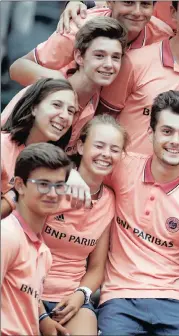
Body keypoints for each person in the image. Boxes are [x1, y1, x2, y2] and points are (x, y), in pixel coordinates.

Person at [64, 90, 179, 335]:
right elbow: (85, 161)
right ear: (151, 133)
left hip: (176, 301)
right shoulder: (122, 167)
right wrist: (70, 173)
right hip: (119, 298)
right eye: (167, 131)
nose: (175, 141)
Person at [38, 115, 128, 335]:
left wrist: (81, 295)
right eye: (99, 145)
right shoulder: (53, 188)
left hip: (70, 296)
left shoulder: (109, 200)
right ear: (80, 146)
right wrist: (40, 315)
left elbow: (97, 267)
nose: (106, 154)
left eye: (114, 149)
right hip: (27, 290)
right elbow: (21, 253)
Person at [96, 1, 179, 154]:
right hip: (120, 174)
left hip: (175, 176)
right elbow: (102, 119)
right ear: (173, 13)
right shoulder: (134, 61)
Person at [3, 16, 128, 155]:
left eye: (116, 57)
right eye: (99, 55)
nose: (109, 65)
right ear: (79, 57)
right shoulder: (49, 88)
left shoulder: (92, 103)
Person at [9, 0, 171, 86]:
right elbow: (18, 68)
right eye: (128, 2)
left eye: (145, 4)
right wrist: (64, 86)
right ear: (110, 2)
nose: (137, 12)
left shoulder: (163, 37)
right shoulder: (80, 26)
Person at [1, 143, 72, 336]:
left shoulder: (44, 252)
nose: (52, 193)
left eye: (59, 186)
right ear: (19, 185)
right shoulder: (6, 236)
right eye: (43, 184)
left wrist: (43, 319)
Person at [1, 78, 77, 218]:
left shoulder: (55, 163)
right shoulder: (3, 146)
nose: (65, 116)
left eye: (71, 111)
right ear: (34, 108)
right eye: (56, 105)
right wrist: (17, 193)